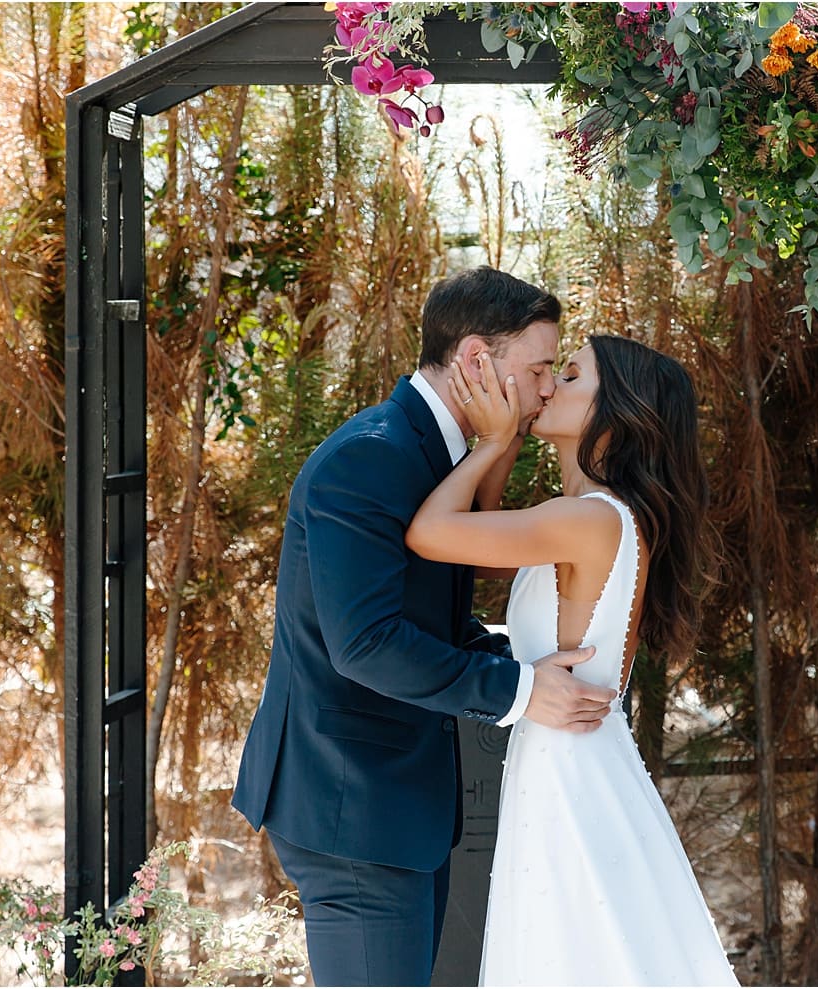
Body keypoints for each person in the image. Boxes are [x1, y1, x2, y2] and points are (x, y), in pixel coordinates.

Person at [230, 267, 618, 988]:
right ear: (477, 360)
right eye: (536, 368)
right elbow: (367, 643)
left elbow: (433, 616)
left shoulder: (429, 455)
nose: (543, 388)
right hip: (352, 806)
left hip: (395, 810)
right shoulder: (371, 457)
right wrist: (520, 690)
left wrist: (527, 661)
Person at [406, 334, 740, 986]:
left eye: (572, 374)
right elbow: (479, 542)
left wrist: (495, 442)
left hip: (569, 772)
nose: (550, 384)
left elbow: (430, 533)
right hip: (574, 759)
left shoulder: (589, 520)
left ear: (614, 414)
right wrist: (500, 448)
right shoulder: (594, 517)